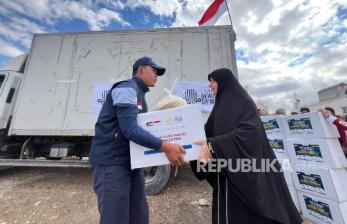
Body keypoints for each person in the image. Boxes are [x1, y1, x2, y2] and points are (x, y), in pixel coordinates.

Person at [191, 68, 302, 224]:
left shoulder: (244, 103)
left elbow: (250, 133)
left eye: (213, 81)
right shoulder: (219, 108)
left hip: (246, 172)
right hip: (226, 172)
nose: (210, 85)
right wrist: (190, 146)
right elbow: (206, 134)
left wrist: (213, 145)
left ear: (224, 82)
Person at [89, 56, 186, 224]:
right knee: (115, 218)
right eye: (154, 70)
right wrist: (164, 146)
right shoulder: (126, 89)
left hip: (132, 163)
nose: (156, 75)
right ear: (140, 69)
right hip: (111, 163)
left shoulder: (140, 94)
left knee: (139, 215)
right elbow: (129, 129)